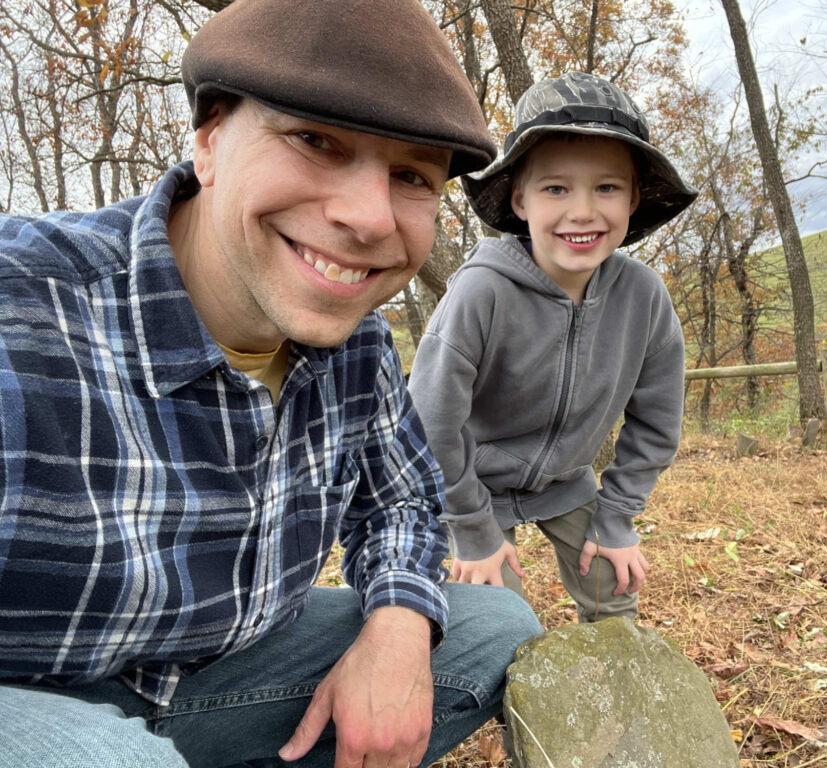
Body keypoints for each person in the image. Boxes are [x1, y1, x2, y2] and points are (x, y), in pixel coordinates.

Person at [0, 1, 541, 767]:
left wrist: (397, 624)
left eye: (411, 175)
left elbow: (401, 499)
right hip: (28, 700)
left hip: (205, 679)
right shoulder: (24, 306)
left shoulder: (357, 344)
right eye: (315, 140)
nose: (366, 217)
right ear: (210, 137)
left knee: (493, 626)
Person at [408, 71, 697, 624]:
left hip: (567, 481)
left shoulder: (644, 297)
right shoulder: (481, 290)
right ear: (519, 199)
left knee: (614, 586)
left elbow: (657, 424)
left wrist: (617, 517)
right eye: (556, 188)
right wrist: (471, 529)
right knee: (496, 613)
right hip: (471, 485)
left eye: (606, 188)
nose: (583, 211)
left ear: (634, 199)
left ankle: (615, 699)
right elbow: (430, 421)